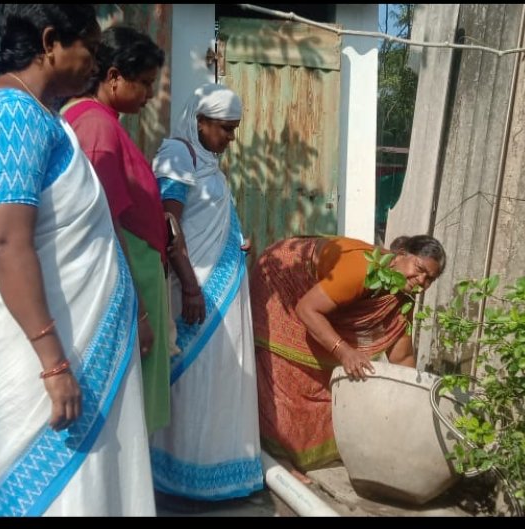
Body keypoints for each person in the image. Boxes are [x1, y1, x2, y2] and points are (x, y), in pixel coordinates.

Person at [0, 5, 154, 516]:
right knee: (50, 489)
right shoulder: (11, 113)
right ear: (50, 42)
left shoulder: (39, 116)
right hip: (36, 344)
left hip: (68, 337)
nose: (96, 63)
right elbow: (5, 241)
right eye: (90, 49)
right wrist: (54, 363)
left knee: (83, 485)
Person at [148, 83, 264, 502]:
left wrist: (235, 241)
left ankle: (222, 471)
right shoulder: (178, 155)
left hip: (223, 291)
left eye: (234, 130)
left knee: (221, 380)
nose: (231, 139)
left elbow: (204, 222)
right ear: (200, 121)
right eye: (226, 129)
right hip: (196, 291)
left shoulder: (207, 162)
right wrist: (193, 290)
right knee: (194, 382)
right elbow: (168, 226)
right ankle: (184, 479)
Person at [249, 235, 446, 476]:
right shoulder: (360, 269)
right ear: (401, 254)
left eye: (430, 279)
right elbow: (307, 309)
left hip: (313, 299)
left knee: (324, 380)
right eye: (419, 270)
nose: (421, 281)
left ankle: (304, 456)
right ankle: (278, 459)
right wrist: (344, 351)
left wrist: (414, 403)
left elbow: (402, 355)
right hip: (284, 278)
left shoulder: (402, 296)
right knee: (284, 372)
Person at [61, 26, 174, 435]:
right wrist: (138, 310)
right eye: (143, 83)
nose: (148, 95)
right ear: (112, 77)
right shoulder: (97, 127)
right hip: (127, 277)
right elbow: (103, 223)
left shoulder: (98, 122)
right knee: (125, 408)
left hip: (134, 272)